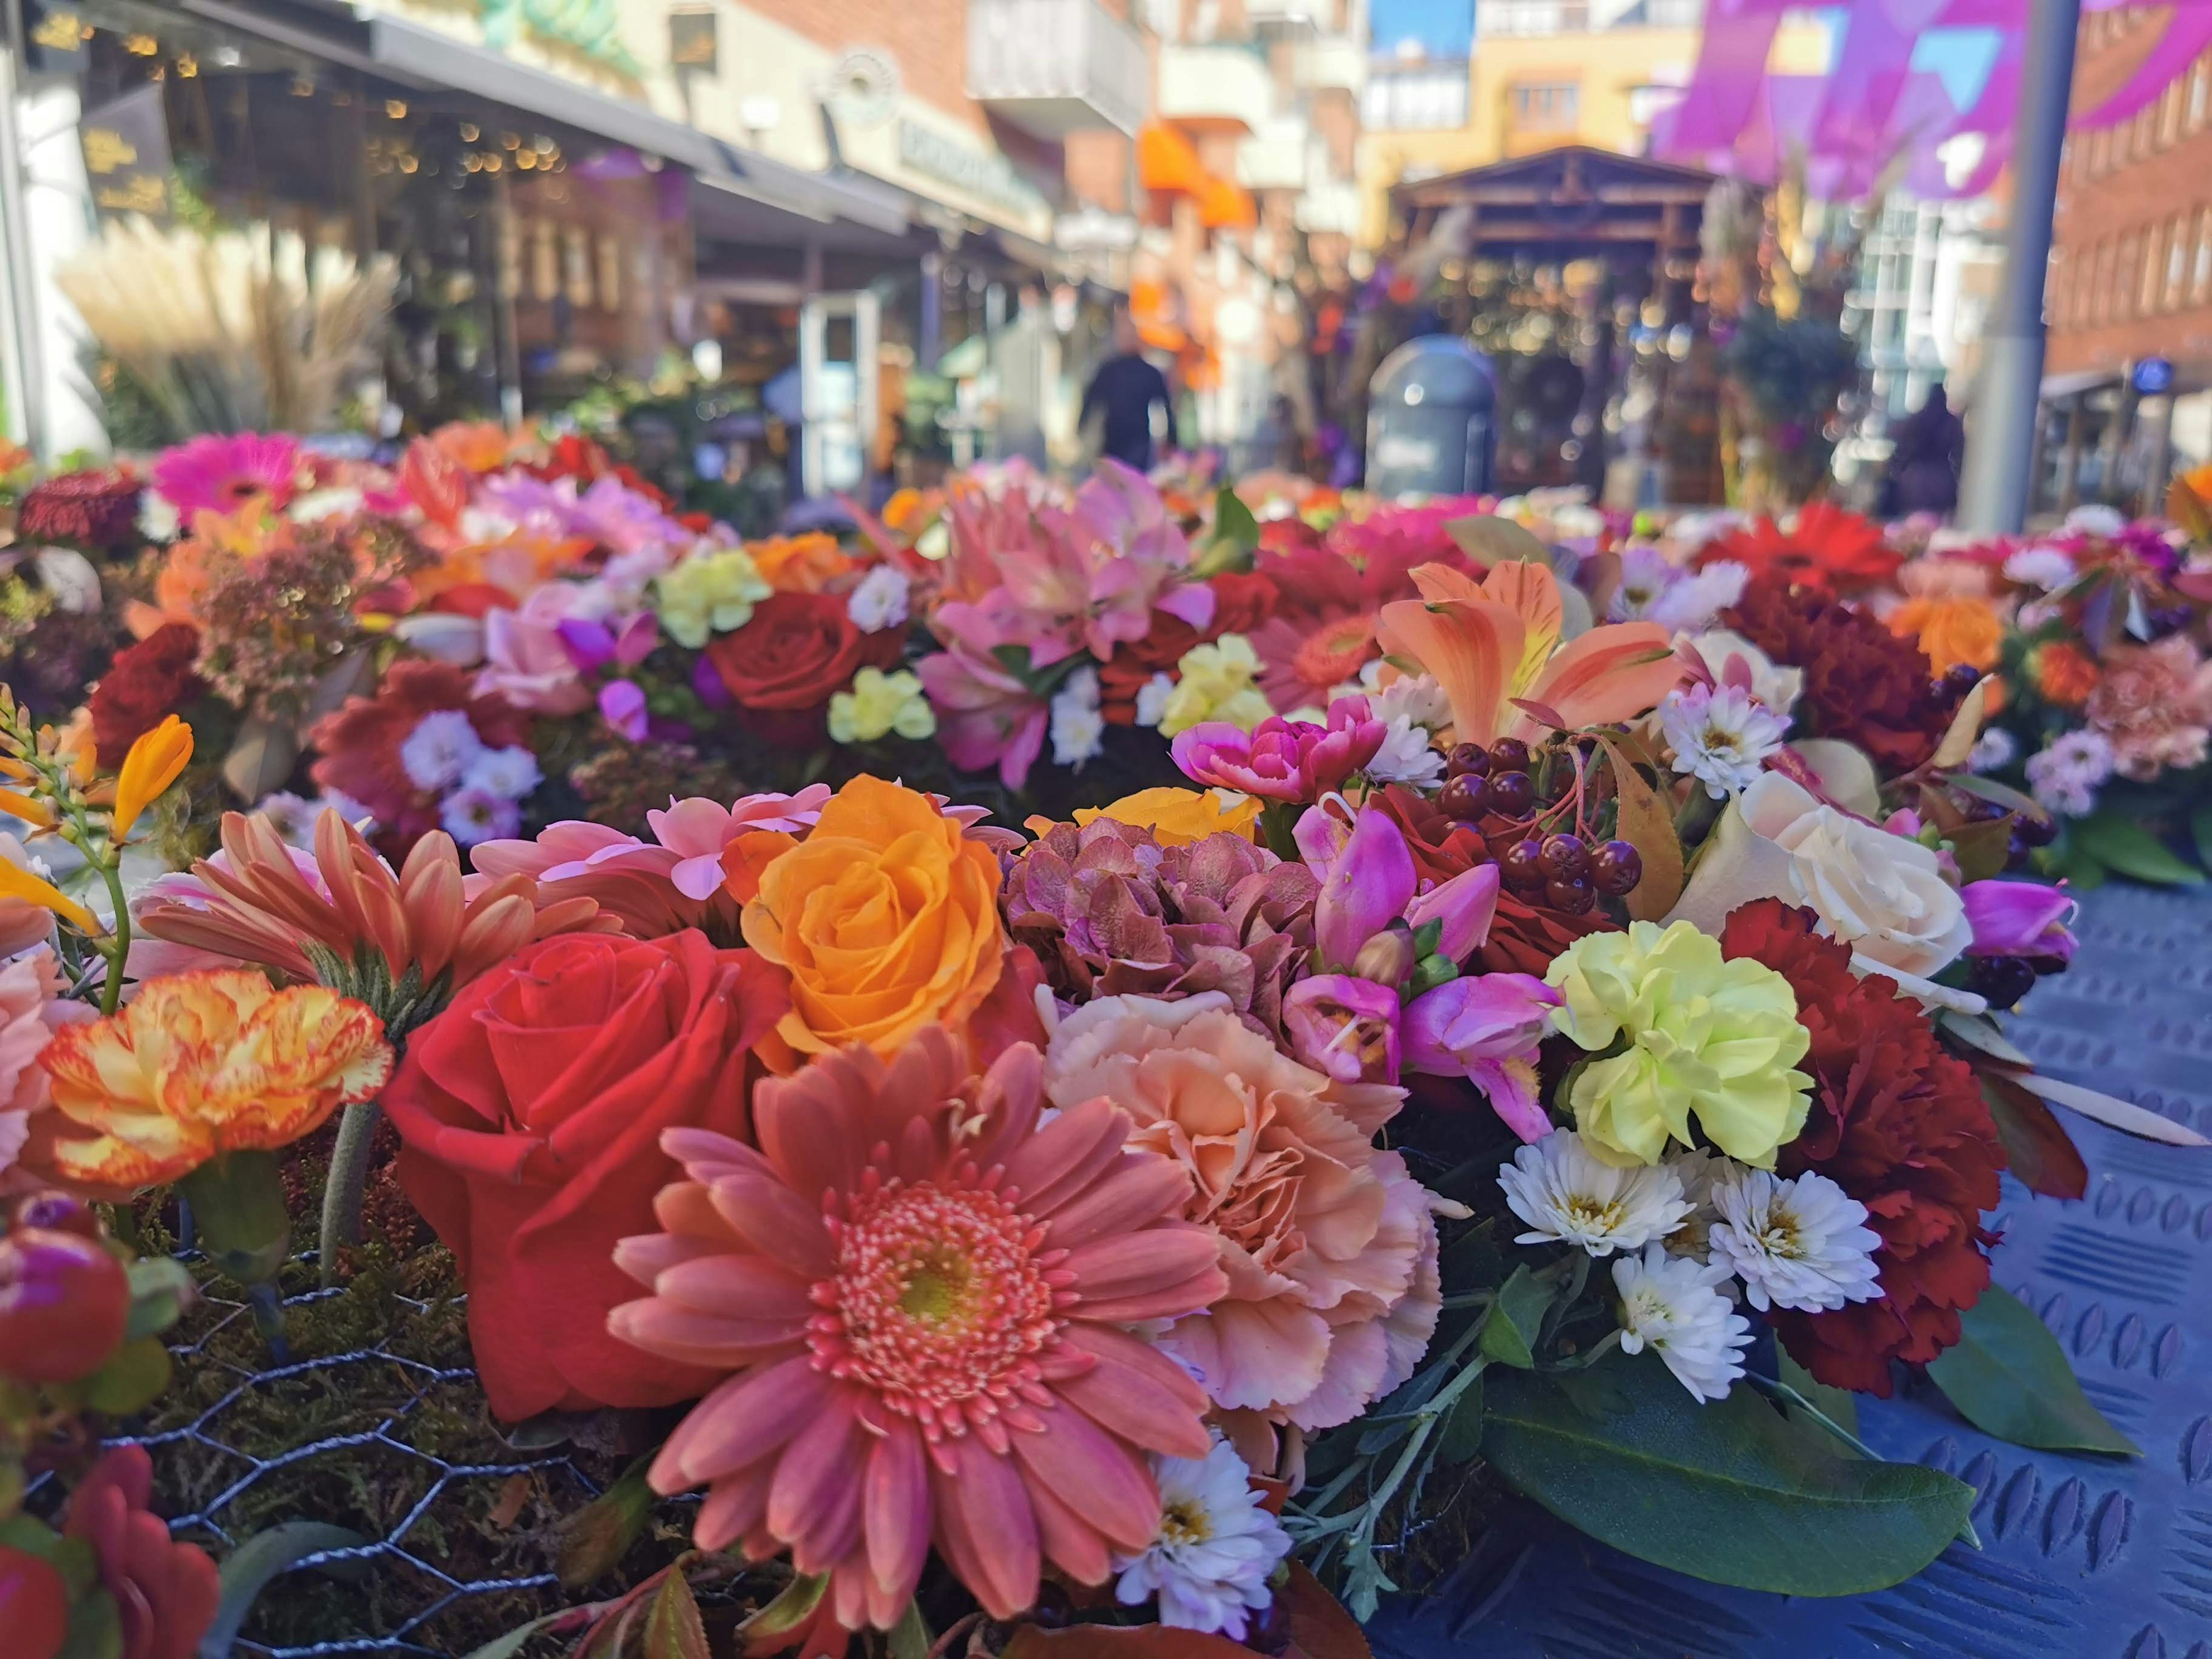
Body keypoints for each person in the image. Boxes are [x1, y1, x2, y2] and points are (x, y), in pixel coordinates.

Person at [1080, 306, 1173, 471]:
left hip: (1133, 443)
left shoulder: (1114, 371)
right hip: (1117, 442)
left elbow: (1090, 401)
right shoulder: (1111, 371)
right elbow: (1091, 401)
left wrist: (1171, 441)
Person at [1882, 384, 1967, 518]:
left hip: (1916, 477)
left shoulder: (1918, 418)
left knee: (1912, 519)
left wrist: (1896, 470)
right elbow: (1959, 451)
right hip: (1942, 477)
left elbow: (1902, 447)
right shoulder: (1951, 422)